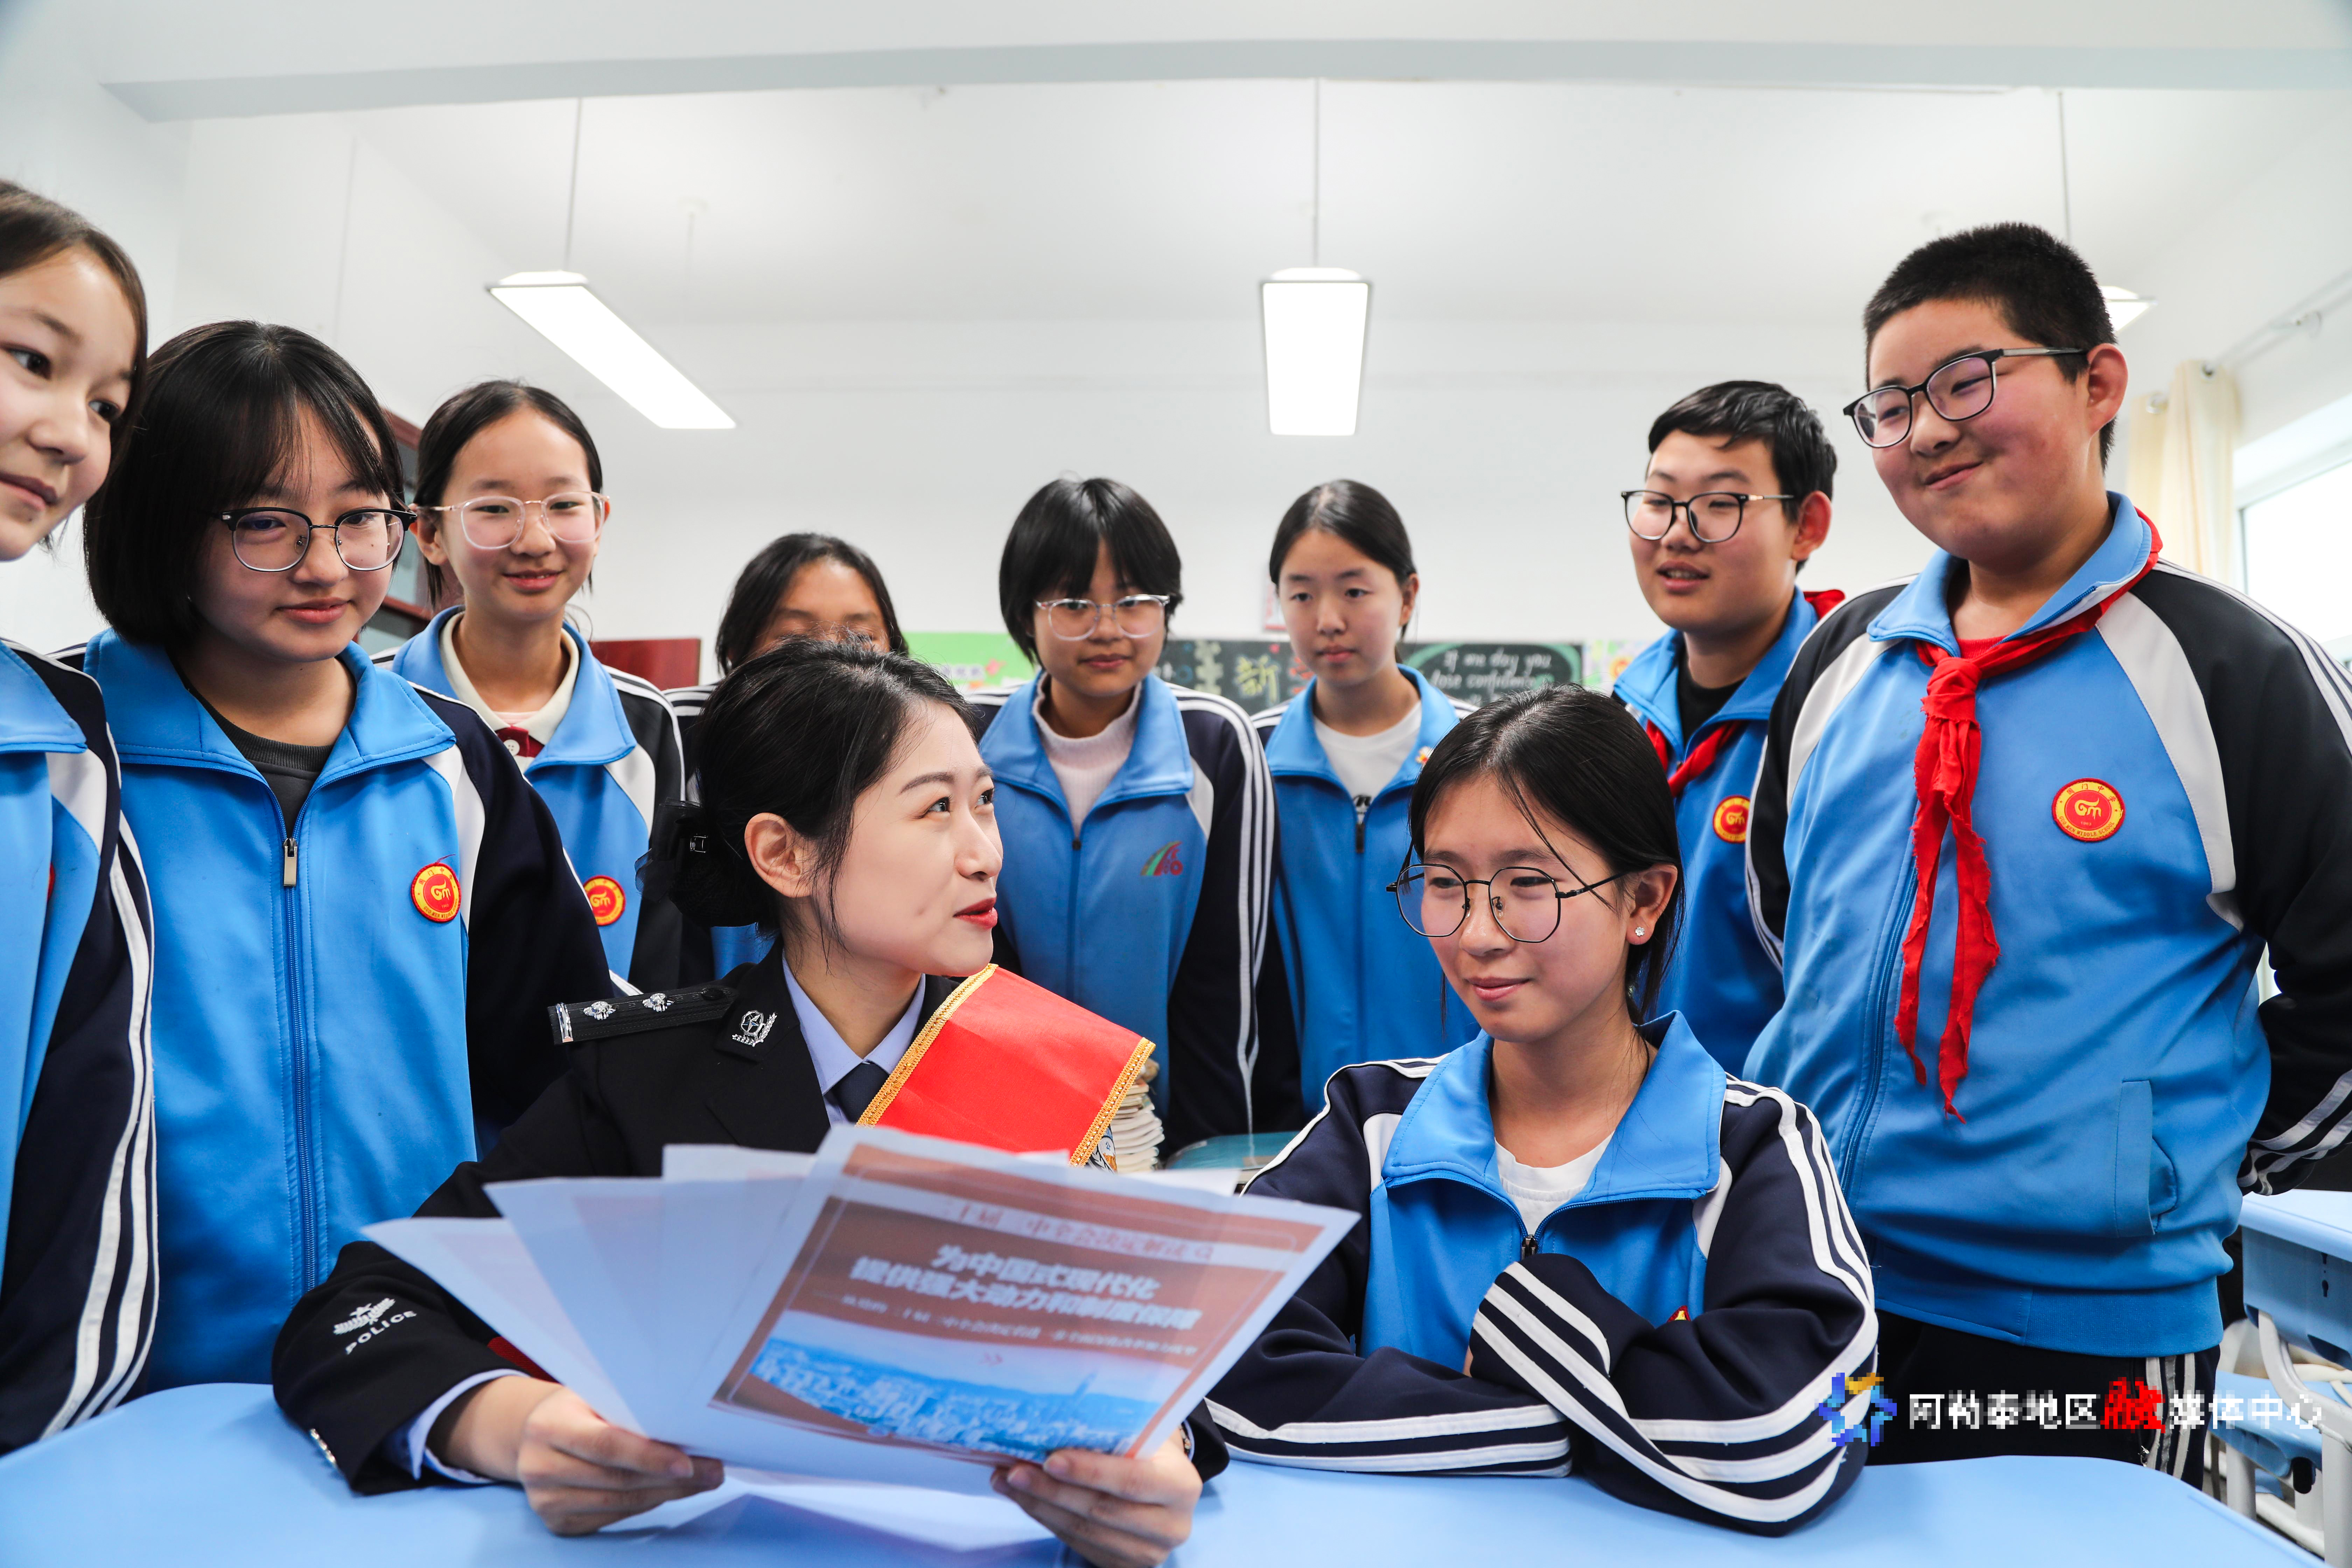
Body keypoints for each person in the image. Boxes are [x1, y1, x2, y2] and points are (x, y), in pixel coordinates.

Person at [274, 640, 1222, 1567]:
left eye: (985, 802)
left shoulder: (1066, 1071)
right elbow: (360, 1310)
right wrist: (520, 1428)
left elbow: (1157, 1371)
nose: (985, 855)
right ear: (784, 853)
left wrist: (1154, 1464)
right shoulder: (644, 1084)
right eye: (935, 809)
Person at [1745, 222, 2352, 1479]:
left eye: (1964, 381)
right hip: (1809, 1288)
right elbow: (1784, 926)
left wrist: (2187, 1152)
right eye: (1888, 406)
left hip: (2089, 1327)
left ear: (2095, 383)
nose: (1923, 430)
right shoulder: (1839, 659)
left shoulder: (2234, 671)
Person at [72, 322, 612, 1388]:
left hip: (412, 1372)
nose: (325, 566)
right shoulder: (71, 758)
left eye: (361, 518)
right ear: (159, 519)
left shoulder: (454, 766)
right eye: (266, 524)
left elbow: (557, 1083)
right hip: (119, 1382)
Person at [1209, 686, 1874, 1534]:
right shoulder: (1369, 1125)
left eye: (1529, 883)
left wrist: (1536, 1319)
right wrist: (1579, 1416)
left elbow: (1798, 1432)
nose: (1477, 933)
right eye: (1445, 882)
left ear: (1644, 900)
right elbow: (1218, 1357)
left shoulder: (1751, 1148)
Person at [969, 478, 1276, 1155]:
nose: (1107, 628)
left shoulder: (1215, 744)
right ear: (1025, 613)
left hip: (1160, 1134)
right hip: (1001, 1127)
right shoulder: (969, 738)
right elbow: (957, 963)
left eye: (1134, 601)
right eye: (1074, 603)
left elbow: (1227, 986)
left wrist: (1201, 1157)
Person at [0, 182, 155, 1452]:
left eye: (106, 405)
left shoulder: (58, 747)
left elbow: (86, 1132)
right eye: (31, 360)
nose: (70, 435)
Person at [384, 381, 684, 990]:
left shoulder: (645, 724)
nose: (535, 540)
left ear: (599, 521)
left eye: (563, 505)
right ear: (430, 532)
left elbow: (658, 966)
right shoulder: (371, 701)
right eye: (495, 509)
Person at [1610, 383, 1837, 1069]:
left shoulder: (1845, 712)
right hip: (1625, 1113)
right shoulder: (1620, 720)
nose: (1678, 532)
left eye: (1721, 502)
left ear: (1806, 526)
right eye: (1659, 501)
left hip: (1781, 1120)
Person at [1251, 480, 1472, 1109]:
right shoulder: (1253, 760)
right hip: (1298, 1117)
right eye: (1301, 594)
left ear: (1407, 596)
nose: (1327, 620)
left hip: (1463, 1102)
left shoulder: (1482, 754)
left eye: (1354, 591)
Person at [667, 532, 908, 982]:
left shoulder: (914, 746)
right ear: (737, 651)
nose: (830, 658)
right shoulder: (674, 732)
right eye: (795, 638)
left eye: (861, 637)